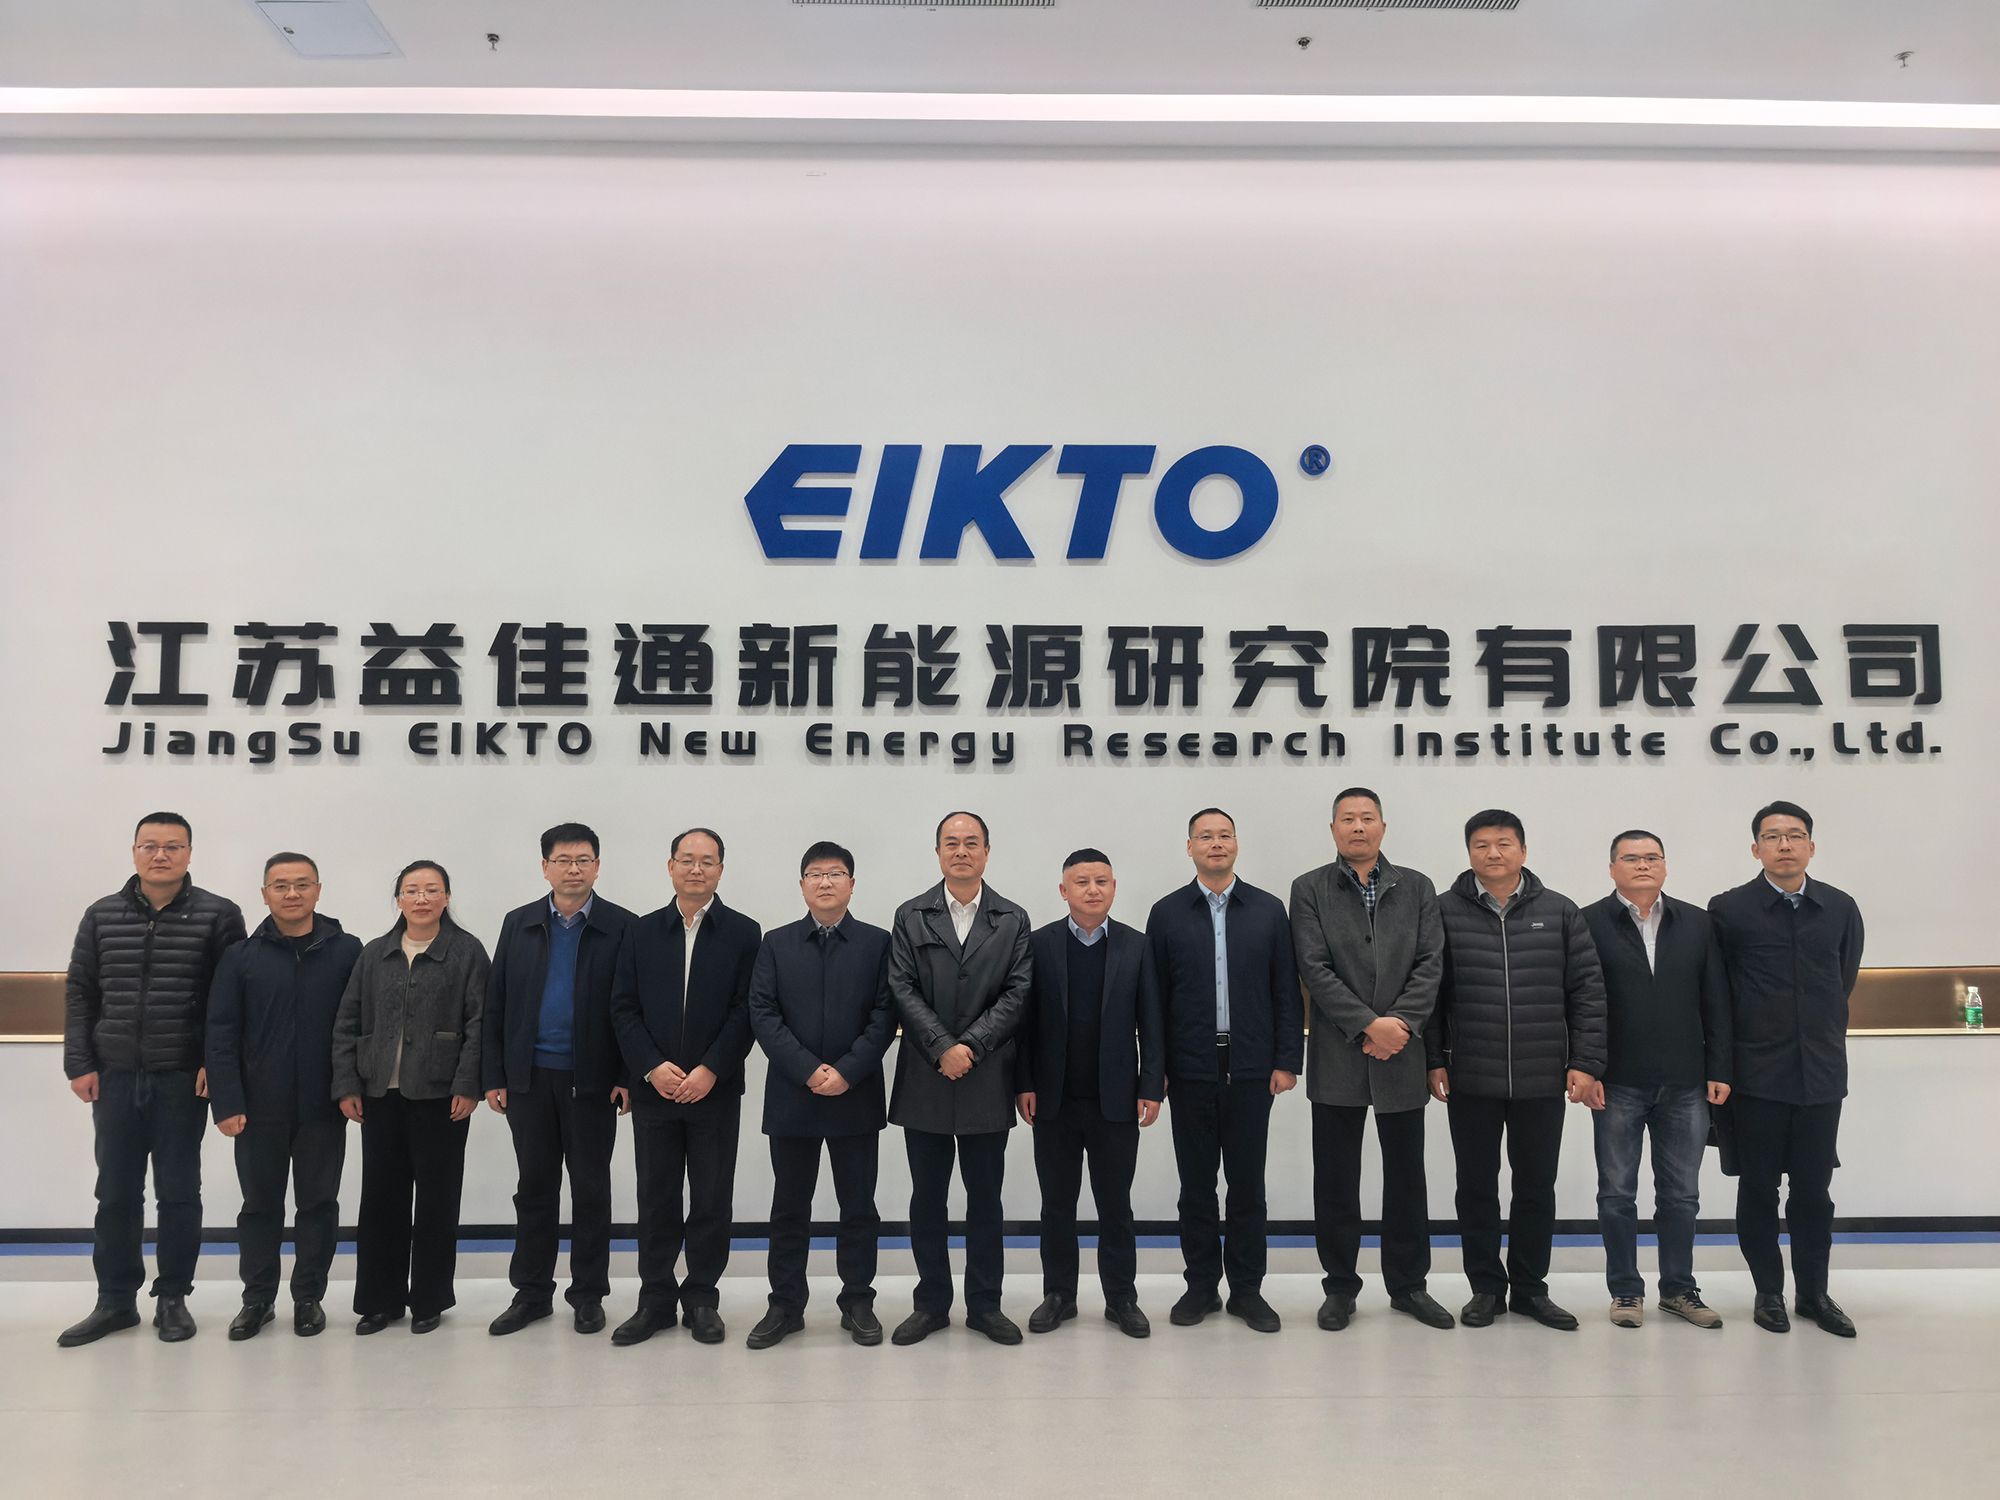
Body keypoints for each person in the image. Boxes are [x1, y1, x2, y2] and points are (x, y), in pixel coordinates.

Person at [59, 812, 247, 1347]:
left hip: (181, 1077)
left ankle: (172, 1298)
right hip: (115, 1075)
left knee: (179, 1192)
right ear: (134, 851)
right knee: (115, 1193)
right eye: (150, 845)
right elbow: (81, 992)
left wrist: (216, 1063)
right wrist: (80, 1062)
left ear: (189, 853)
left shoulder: (218, 915)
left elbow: (229, 999)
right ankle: (115, 1301)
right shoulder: (102, 914)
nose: (160, 855)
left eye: (172, 846)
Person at [1429, 810, 1607, 1332]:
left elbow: (1588, 992)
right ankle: (1485, 1288)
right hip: (1470, 1076)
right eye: (1481, 845)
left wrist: (1585, 1062)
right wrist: (1434, 1059)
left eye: (1504, 843)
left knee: (1535, 1187)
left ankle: (1530, 1289)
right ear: (1469, 853)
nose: (1493, 853)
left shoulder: (1559, 911)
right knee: (1476, 1187)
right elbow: (1429, 994)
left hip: (1541, 1076)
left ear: (1523, 851)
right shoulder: (1441, 911)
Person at [1289, 788, 1454, 1333]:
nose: (1357, 827)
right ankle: (1339, 1287)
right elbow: (1313, 967)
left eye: (1367, 818)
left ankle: (1409, 1286)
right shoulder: (1309, 888)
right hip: (1338, 1056)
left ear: (1383, 826)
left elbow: (1431, 962)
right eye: (1347, 819)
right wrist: (1367, 1024)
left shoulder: (1418, 887)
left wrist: (1399, 1024)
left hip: (1402, 1054)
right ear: (1332, 828)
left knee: (1407, 1179)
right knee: (1336, 1180)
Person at [1708, 801, 1864, 1338]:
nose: (1784, 845)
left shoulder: (1840, 907)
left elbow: (1843, 978)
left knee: (1814, 1191)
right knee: (1758, 1188)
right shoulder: (1729, 909)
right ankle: (1768, 1292)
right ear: (1756, 849)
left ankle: (1814, 1294)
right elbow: (1718, 993)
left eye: (1795, 835)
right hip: (1756, 1074)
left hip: (1820, 1073)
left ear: (1811, 847)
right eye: (1772, 836)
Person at [1146, 807, 1302, 1334]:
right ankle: (1200, 1287)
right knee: (1195, 1187)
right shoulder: (1167, 913)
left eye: (1225, 835)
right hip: (1189, 1070)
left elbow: (1286, 990)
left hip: (1252, 1069)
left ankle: (1247, 1290)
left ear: (1236, 844)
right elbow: (1153, 1000)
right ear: (1189, 847)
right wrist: (1156, 1070)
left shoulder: (1267, 910)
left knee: (1247, 1187)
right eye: (1205, 836)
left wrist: (1287, 1060)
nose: (1216, 843)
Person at [608, 828, 761, 1346]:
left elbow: (748, 1009)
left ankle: (700, 1298)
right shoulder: (641, 931)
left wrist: (711, 1068)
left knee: (711, 1197)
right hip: (655, 1091)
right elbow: (623, 1007)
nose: (697, 869)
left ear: (721, 869)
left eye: (707, 861)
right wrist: (651, 1067)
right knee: (656, 1196)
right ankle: (654, 1299)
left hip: (715, 1090)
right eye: (687, 860)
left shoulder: (744, 933)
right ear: (670, 866)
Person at [885, 811, 1033, 1347]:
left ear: (987, 852)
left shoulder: (1012, 918)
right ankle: (930, 1304)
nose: (962, 851)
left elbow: (1018, 992)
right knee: (927, 1198)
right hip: (926, 1077)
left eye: (972, 843)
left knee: (985, 1199)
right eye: (952, 843)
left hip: (986, 1077)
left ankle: (985, 1305)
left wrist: (969, 1046)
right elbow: (901, 986)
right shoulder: (911, 915)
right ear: (938, 852)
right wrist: (942, 1047)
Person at [482, 822, 635, 1337]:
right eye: (563, 860)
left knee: (591, 1189)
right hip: (528, 1079)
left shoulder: (621, 926)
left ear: (598, 866)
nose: (573, 869)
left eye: (583, 860)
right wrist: (495, 1074)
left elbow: (632, 1007)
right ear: (545, 867)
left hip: (593, 1081)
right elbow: (497, 1002)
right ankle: (531, 1293)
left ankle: (588, 1294)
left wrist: (625, 1074)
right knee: (534, 1188)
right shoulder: (519, 923)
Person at [744, 841, 896, 1349]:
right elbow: (763, 1013)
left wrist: (847, 1071)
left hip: (856, 1095)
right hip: (794, 1096)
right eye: (815, 873)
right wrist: (809, 1070)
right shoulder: (776, 943)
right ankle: (785, 1305)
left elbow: (885, 1015)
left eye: (835, 873)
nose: (825, 882)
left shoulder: (877, 943)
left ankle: (858, 1301)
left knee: (859, 1207)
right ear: (802, 884)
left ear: (852, 884)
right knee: (789, 1207)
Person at [205, 852, 362, 1339]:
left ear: (318, 890)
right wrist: (227, 1102)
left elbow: (360, 1026)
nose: (292, 894)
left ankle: (308, 1297)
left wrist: (351, 1088)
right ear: (265, 894)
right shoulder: (241, 957)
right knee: (259, 1206)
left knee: (318, 1204)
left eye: (301, 884)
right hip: (257, 1108)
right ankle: (257, 1299)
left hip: (324, 1105)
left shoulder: (347, 951)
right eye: (280, 885)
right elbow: (221, 1033)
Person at [331, 860, 489, 1335]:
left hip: (441, 1096)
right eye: (412, 890)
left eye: (432, 890)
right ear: (398, 899)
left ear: (446, 897)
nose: (422, 898)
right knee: (381, 1201)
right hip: (380, 1094)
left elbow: (480, 1023)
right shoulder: (374, 953)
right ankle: (379, 1301)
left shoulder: (467, 952)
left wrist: (468, 1085)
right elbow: (347, 1021)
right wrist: (347, 1085)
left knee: (438, 1201)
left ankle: (429, 1300)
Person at [1583, 830, 1732, 1330]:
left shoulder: (1698, 922)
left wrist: (1720, 1069)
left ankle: (1679, 1290)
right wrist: (1585, 1066)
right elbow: (1577, 1002)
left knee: (1681, 1195)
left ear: (1665, 866)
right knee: (1616, 1194)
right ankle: (1625, 1291)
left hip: (1686, 1082)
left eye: (1652, 857)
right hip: (1616, 1081)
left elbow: (1716, 999)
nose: (1643, 865)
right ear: (1612, 868)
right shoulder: (1586, 922)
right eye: (1631, 858)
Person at [1014, 848, 1164, 1340]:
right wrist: (1024, 1082)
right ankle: (1059, 1294)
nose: (1092, 890)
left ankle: (1122, 1298)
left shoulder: (1137, 946)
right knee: (1056, 1204)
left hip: (1116, 1101)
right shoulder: (1038, 944)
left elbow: (1152, 1023)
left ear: (1114, 887)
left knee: (1115, 1205)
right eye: (1082, 882)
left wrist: (1151, 1085)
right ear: (1064, 890)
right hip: (1053, 1100)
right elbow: (1024, 1025)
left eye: (1102, 881)